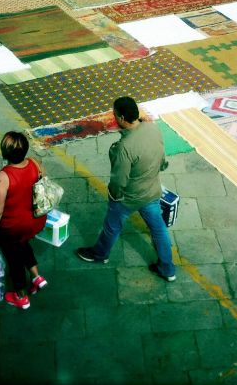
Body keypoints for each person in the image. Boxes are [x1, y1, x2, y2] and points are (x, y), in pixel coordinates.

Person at [75, 96, 176, 282]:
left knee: (112, 226)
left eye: (114, 115)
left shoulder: (124, 148)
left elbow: (119, 180)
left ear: (121, 118)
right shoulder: (152, 128)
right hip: (152, 191)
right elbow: (162, 158)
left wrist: (114, 196)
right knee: (159, 230)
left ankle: (100, 254)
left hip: (128, 198)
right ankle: (168, 269)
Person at [0, 131, 49, 310]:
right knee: (24, 245)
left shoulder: (2, 179)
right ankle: (36, 277)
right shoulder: (36, 163)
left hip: (13, 228)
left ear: (4, 152)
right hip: (34, 221)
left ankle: (21, 297)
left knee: (14, 260)